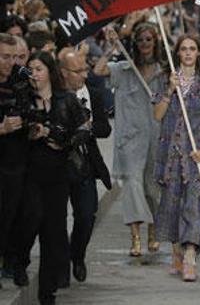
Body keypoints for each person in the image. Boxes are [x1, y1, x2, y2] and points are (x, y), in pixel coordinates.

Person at [11, 53, 90, 305]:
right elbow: (18, 126)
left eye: (39, 68)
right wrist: (30, 130)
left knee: (53, 233)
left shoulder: (65, 100)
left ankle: (48, 294)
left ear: (50, 72)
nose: (34, 73)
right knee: (31, 217)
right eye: (30, 69)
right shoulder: (23, 98)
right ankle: (19, 260)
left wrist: (58, 137)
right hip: (31, 172)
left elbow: (83, 129)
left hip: (58, 174)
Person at [152, 35, 200, 282]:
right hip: (170, 151)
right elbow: (158, 115)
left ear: (199, 53)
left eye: (193, 48)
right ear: (178, 53)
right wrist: (170, 91)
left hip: (195, 152)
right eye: (184, 49)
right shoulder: (164, 79)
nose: (189, 53)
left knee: (193, 202)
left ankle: (190, 254)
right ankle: (176, 251)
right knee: (171, 202)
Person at [93, 24, 162, 258]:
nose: (144, 44)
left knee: (153, 188)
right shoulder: (124, 69)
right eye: (141, 40)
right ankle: (135, 238)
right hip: (130, 139)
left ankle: (153, 231)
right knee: (133, 184)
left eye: (149, 40)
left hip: (157, 137)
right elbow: (99, 70)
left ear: (155, 42)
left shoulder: (164, 72)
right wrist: (112, 47)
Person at [57, 46, 112, 286]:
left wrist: (88, 127)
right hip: (57, 164)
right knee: (55, 218)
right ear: (63, 72)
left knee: (87, 215)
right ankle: (58, 263)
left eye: (85, 69)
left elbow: (105, 129)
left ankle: (77, 254)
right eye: (78, 70)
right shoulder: (53, 95)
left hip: (85, 164)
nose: (84, 75)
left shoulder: (94, 93)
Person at [0, 33, 30, 278]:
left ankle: (12, 261)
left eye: (13, 57)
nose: (10, 62)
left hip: (16, 161)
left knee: (13, 212)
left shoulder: (20, 83)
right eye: (4, 57)